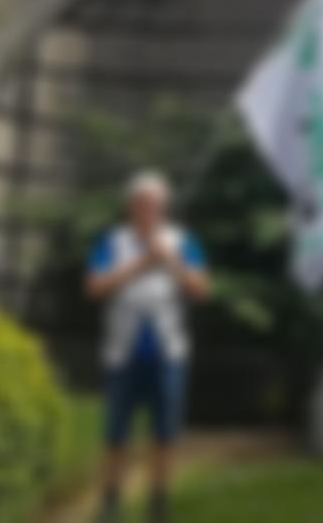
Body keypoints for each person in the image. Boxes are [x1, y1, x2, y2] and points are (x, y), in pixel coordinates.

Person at [87, 171, 210, 523]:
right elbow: (95, 288)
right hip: (121, 352)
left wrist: (169, 260)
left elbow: (201, 290)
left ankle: (158, 503)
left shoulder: (182, 240)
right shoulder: (112, 242)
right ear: (130, 206)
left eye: (155, 204)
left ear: (164, 207)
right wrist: (141, 264)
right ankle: (111, 500)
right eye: (141, 203)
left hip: (167, 352)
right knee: (115, 432)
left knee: (164, 433)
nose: (148, 210)